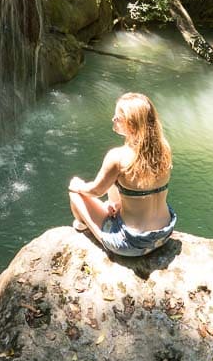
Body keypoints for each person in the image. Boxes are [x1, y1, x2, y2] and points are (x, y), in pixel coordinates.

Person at [67, 92, 176, 257]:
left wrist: (78, 185)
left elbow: (95, 191)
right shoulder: (164, 148)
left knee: (75, 193)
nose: (113, 119)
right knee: (117, 184)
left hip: (132, 243)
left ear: (131, 125)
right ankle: (116, 208)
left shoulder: (117, 156)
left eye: (117, 117)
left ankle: (83, 224)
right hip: (164, 233)